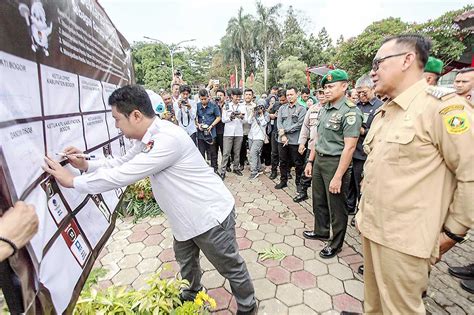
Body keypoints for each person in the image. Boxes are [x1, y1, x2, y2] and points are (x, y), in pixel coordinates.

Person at [42, 85, 257, 315]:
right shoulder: (149, 138)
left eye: (117, 119)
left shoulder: (166, 139)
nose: (116, 125)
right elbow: (121, 162)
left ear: (135, 115)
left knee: (230, 267)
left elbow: (123, 175)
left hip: (209, 217)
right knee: (187, 263)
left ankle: (248, 307)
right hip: (184, 219)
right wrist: (86, 165)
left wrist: (73, 182)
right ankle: (191, 297)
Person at [356, 34, 473, 314]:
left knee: (401, 309)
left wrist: (453, 233)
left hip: (405, 241)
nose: (372, 72)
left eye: (378, 63)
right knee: (374, 306)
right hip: (373, 229)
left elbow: (470, 174)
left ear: (407, 60)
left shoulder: (442, 108)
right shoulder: (387, 111)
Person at [303, 69, 363, 259]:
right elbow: (318, 138)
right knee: (318, 199)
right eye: (325, 87)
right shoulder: (324, 109)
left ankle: (336, 243)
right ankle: (321, 231)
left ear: (344, 86)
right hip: (320, 160)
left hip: (336, 163)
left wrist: (338, 176)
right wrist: (311, 161)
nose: (326, 91)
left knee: (336, 207)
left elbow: (350, 147)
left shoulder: (350, 112)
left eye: (331, 86)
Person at [346, 74, 383, 219]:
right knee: (351, 184)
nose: (361, 95)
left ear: (372, 88)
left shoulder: (380, 107)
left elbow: (379, 132)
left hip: (366, 153)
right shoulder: (356, 106)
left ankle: (360, 214)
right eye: (358, 92)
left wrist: (363, 131)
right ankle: (349, 207)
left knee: (362, 185)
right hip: (353, 151)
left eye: (364, 92)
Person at [294, 95, 324, 202]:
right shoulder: (313, 109)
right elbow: (305, 127)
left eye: (323, 92)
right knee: (306, 169)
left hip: (326, 149)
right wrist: (302, 143)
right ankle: (303, 192)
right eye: (319, 93)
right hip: (312, 146)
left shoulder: (332, 109)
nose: (322, 95)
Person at [275, 87, 307, 189]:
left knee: (298, 163)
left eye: (291, 94)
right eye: (288, 95)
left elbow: (300, 124)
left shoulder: (302, 109)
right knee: (283, 161)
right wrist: (283, 135)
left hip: (295, 140)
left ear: (296, 94)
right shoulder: (282, 108)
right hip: (282, 140)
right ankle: (283, 181)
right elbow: (279, 122)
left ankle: (299, 184)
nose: (289, 97)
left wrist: (285, 130)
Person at [219, 88, 247, 179]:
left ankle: (236, 167)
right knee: (226, 152)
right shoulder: (227, 106)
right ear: (232, 96)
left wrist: (241, 117)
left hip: (239, 132)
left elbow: (245, 120)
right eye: (236, 96)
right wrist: (231, 117)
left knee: (237, 152)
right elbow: (223, 119)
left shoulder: (242, 106)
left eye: (239, 97)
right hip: (228, 132)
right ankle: (222, 171)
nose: (238, 98)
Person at [196, 89, 221, 173]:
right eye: (201, 99)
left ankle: (215, 169)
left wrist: (212, 125)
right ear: (199, 98)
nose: (203, 101)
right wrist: (198, 125)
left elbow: (218, 117)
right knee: (201, 153)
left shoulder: (213, 105)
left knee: (213, 153)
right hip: (201, 134)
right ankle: (203, 171)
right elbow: (194, 117)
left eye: (205, 99)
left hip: (211, 133)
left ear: (208, 97)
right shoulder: (197, 106)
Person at [247, 99, 269, 179]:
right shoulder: (254, 114)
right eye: (259, 106)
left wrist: (261, 114)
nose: (260, 109)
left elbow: (264, 124)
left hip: (259, 137)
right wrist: (253, 113)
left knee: (253, 153)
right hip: (251, 136)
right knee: (255, 153)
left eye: (262, 107)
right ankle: (259, 168)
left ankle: (254, 171)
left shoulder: (266, 115)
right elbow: (248, 121)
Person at [268, 92, 283, 180]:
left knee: (284, 154)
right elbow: (268, 114)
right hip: (275, 131)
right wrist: (272, 115)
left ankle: (286, 171)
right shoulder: (276, 104)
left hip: (285, 132)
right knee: (274, 153)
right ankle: (274, 171)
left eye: (283, 100)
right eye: (280, 99)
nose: (281, 101)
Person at [240, 89, 255, 170]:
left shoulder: (255, 106)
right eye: (246, 94)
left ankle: (253, 165)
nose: (248, 96)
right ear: (244, 96)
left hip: (252, 131)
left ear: (252, 96)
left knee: (252, 148)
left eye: (249, 94)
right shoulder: (240, 105)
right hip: (242, 130)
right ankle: (241, 163)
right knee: (242, 148)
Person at [214, 89, 227, 158]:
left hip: (224, 131)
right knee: (214, 150)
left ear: (224, 97)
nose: (219, 97)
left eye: (221, 95)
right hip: (215, 130)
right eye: (217, 95)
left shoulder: (227, 105)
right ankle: (215, 165)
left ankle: (226, 166)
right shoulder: (213, 105)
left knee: (224, 150)